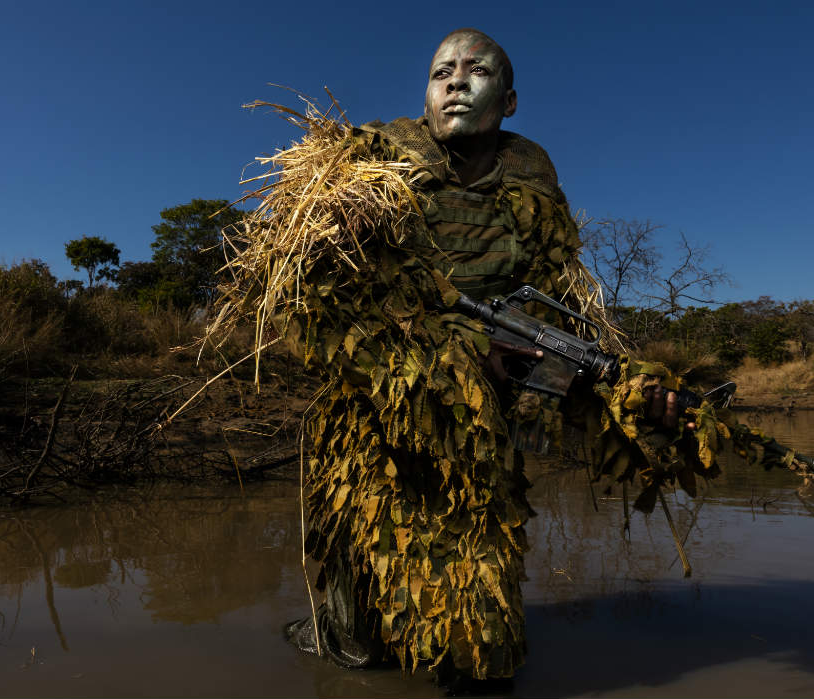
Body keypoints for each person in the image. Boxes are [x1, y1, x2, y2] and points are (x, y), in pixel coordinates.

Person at [278, 28, 692, 683]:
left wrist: (581, 394)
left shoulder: (530, 172)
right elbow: (313, 298)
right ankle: (349, 632)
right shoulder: (376, 156)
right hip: (378, 395)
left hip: (481, 412)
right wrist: (435, 349)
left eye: (478, 71)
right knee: (356, 588)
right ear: (425, 92)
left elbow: (559, 304)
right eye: (442, 70)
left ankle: (475, 659)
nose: (457, 81)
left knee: (481, 619)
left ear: (511, 99)